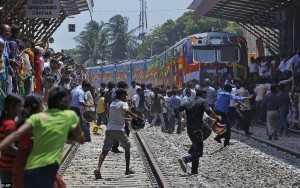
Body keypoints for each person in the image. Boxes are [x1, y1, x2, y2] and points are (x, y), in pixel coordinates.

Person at [0, 86, 85, 188]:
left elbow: (17, 134)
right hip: (46, 168)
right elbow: (80, 137)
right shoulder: (70, 115)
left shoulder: (37, 118)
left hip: (28, 168)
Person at [174, 89, 221, 175]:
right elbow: (208, 111)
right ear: (203, 94)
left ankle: (194, 171)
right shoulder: (202, 101)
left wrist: (181, 119)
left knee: (196, 149)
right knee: (199, 153)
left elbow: (176, 109)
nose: (206, 97)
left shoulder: (189, 102)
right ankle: (185, 160)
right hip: (198, 129)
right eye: (205, 95)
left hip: (190, 130)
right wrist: (217, 117)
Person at [94, 88, 138, 179]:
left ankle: (98, 168)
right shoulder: (123, 103)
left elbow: (117, 116)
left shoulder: (112, 104)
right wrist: (134, 116)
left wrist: (125, 119)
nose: (126, 97)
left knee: (105, 150)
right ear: (122, 95)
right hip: (119, 130)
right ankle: (127, 169)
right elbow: (126, 111)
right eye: (125, 95)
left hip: (109, 129)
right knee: (127, 148)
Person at [12, 94, 44, 188]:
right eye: (42, 104)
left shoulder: (18, 120)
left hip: (20, 162)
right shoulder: (39, 121)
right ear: (38, 107)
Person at [0, 94, 23, 184]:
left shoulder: (5, 122)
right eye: (20, 106)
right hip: (11, 167)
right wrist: (26, 155)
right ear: (11, 108)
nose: (22, 109)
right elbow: (10, 148)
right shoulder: (10, 124)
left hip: (5, 166)